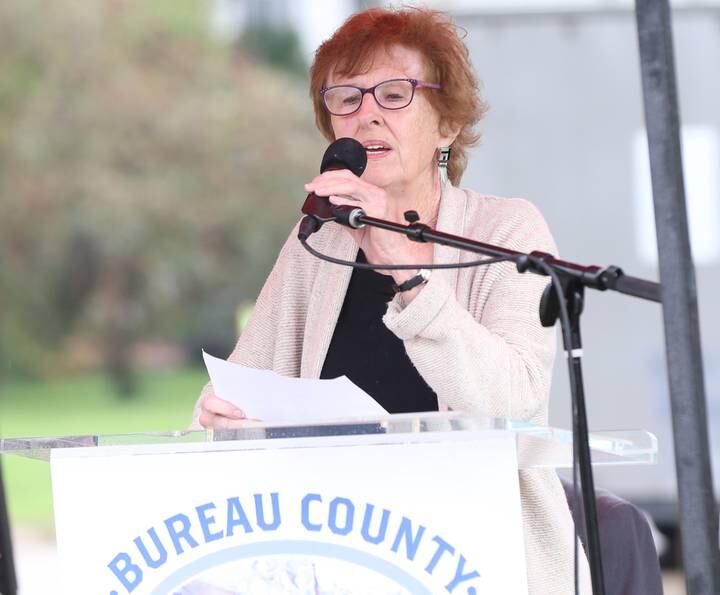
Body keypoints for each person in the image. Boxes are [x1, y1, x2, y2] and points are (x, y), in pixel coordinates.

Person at [191, 7, 590, 593]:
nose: (367, 114)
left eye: (394, 94)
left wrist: (402, 266)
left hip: (480, 554)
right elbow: (242, 387)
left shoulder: (506, 232)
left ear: (448, 124)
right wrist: (218, 414)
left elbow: (515, 402)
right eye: (346, 98)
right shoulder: (316, 245)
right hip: (344, 552)